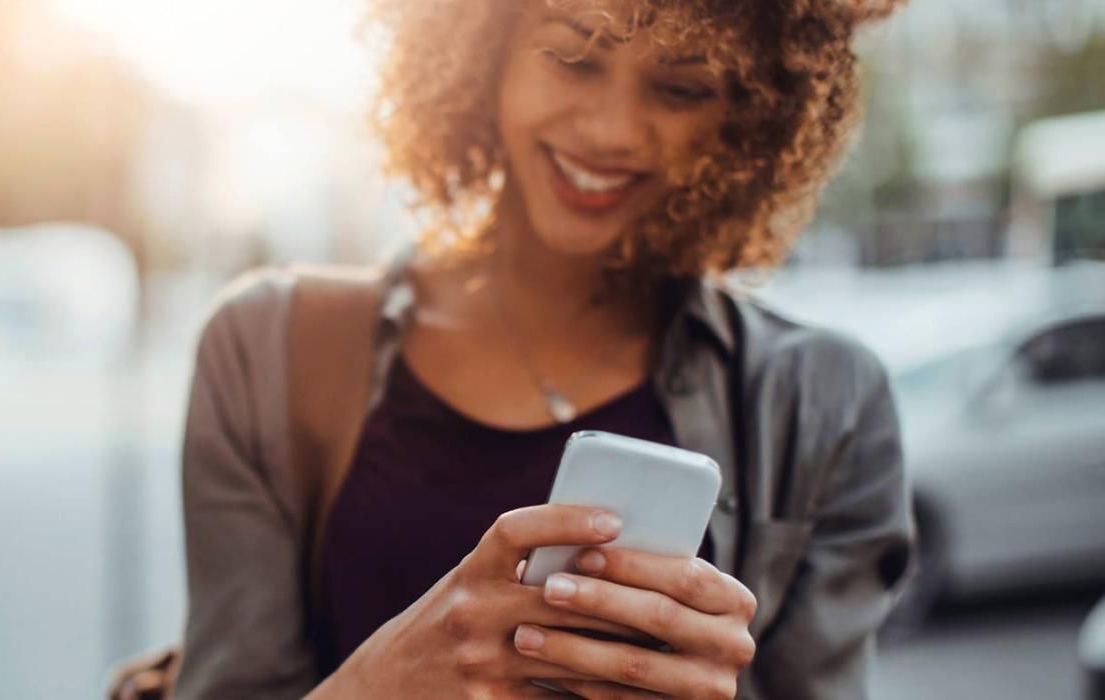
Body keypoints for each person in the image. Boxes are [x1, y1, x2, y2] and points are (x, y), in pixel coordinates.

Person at [174, 0, 913, 697]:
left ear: (750, 116)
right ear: (482, 46)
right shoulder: (266, 350)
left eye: (682, 89)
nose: (613, 129)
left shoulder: (827, 402)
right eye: (572, 57)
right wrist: (386, 681)